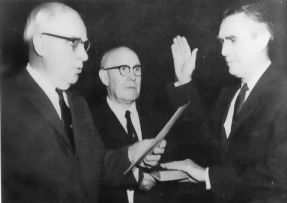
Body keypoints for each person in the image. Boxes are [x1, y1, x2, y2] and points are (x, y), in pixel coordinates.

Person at [2, 2, 166, 203]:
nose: (85, 55)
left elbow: (95, 166)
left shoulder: (78, 104)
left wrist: (132, 153)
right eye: (73, 43)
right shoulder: (5, 100)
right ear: (40, 44)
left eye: (84, 44)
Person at [162, 2, 287, 203]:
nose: (223, 51)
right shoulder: (229, 94)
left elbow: (279, 179)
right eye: (222, 42)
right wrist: (184, 82)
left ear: (261, 40)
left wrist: (208, 176)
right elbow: (205, 146)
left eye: (232, 40)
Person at [90, 46, 165, 203]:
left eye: (137, 69)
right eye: (124, 69)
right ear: (104, 77)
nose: (133, 76)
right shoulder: (88, 120)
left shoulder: (158, 117)